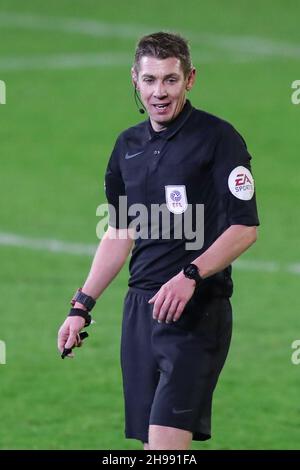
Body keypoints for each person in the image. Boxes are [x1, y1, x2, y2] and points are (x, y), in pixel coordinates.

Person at [57, 31, 259, 450]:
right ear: (135, 78)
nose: (160, 92)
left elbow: (244, 228)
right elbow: (120, 231)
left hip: (196, 311)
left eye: (170, 79)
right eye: (150, 80)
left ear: (190, 79)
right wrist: (82, 305)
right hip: (140, 313)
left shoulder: (218, 139)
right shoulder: (127, 146)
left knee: (167, 450)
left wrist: (191, 274)